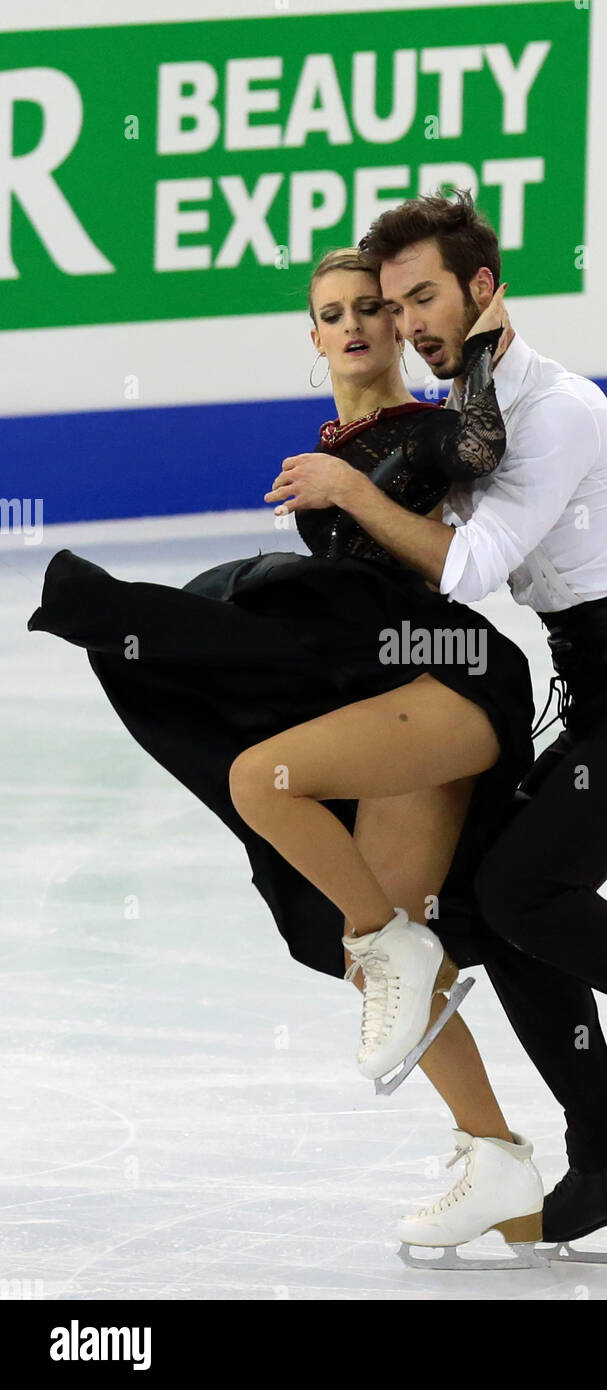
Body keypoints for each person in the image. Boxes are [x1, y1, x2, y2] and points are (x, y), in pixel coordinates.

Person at [269, 192, 607, 1255]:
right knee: (481, 898)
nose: (409, 320)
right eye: (391, 302)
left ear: (482, 286)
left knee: (522, 888)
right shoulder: (472, 408)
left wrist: (344, 485)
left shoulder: (551, 408)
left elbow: (472, 568)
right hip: (599, 691)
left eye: (425, 295)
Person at [26, 248, 553, 1264]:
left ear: (400, 325)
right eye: (332, 313)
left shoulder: (428, 432)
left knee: (280, 805)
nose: (353, 324)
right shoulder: (336, 441)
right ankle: (494, 1159)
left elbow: (478, 450)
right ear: (310, 338)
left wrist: (480, 337)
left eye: (372, 309)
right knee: (385, 947)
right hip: (376, 684)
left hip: (435, 670)